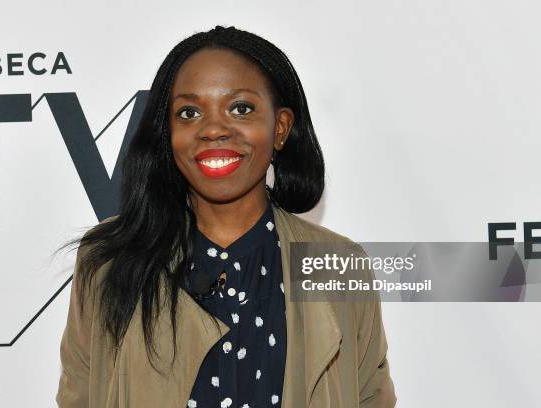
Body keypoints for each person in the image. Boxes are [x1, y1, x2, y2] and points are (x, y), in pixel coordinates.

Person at [56, 25, 396, 407]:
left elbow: (371, 396)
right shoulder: (108, 261)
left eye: (241, 108)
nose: (214, 129)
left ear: (280, 127)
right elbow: (79, 395)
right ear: (168, 134)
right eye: (189, 112)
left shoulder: (336, 264)